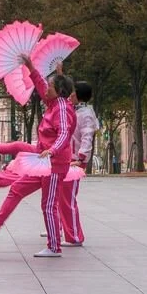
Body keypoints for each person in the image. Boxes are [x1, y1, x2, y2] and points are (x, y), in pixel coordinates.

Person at [0, 58, 77, 258]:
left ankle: (54, 246)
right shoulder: (53, 103)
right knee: (17, 188)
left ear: (59, 91)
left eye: (51, 86)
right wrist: (31, 67)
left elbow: (64, 133)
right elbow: (40, 85)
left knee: (48, 204)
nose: (47, 89)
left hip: (54, 164)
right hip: (44, 162)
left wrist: (53, 150)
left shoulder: (62, 108)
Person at [60, 79, 100, 247]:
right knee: (62, 197)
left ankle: (74, 236)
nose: (70, 94)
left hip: (75, 160)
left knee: (68, 199)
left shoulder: (86, 115)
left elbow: (87, 137)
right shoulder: (77, 111)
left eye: (73, 92)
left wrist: (81, 158)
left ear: (77, 95)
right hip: (70, 159)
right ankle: (65, 229)